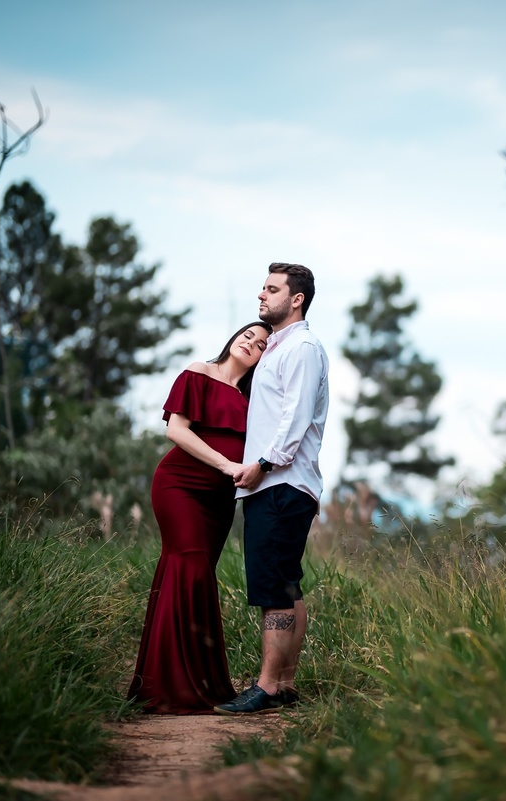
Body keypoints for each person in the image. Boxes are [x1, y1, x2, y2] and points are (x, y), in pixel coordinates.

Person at [128, 321, 273, 714]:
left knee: (196, 575)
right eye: (247, 335)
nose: (251, 344)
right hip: (179, 484)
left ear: (264, 357)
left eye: (261, 344)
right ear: (233, 338)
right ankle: (172, 689)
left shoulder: (254, 398)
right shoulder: (199, 372)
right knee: (187, 565)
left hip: (219, 500)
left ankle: (199, 682)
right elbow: (176, 430)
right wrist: (227, 464)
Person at [214, 262, 329, 715]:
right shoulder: (280, 347)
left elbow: (296, 417)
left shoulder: (301, 347)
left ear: (296, 298)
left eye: (271, 289)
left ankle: (266, 687)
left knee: (273, 590)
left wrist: (262, 464)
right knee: (287, 585)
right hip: (281, 483)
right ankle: (283, 683)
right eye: (263, 288)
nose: (261, 296)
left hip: (280, 483)